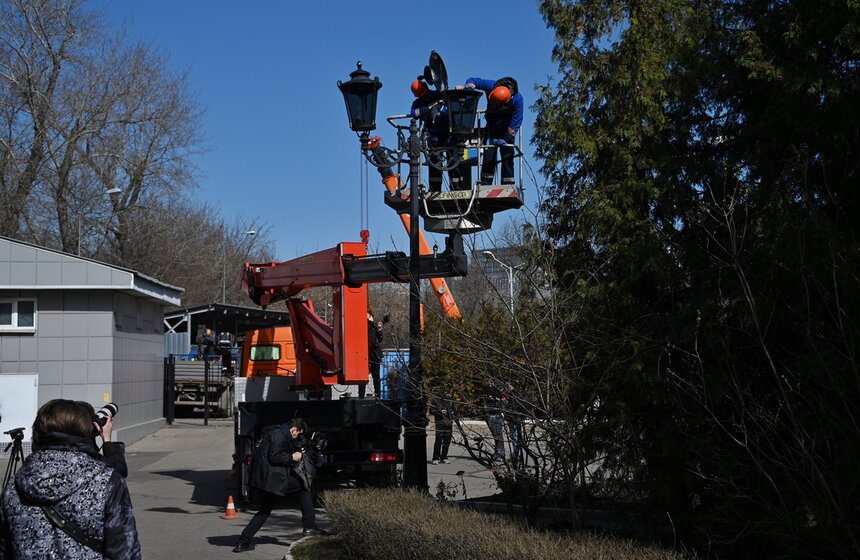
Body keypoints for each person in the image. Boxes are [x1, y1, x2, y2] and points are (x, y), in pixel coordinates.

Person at [0, 399, 141, 559]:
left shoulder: (14, 486)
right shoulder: (106, 482)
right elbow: (124, 552)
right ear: (88, 432)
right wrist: (106, 440)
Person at [233, 418, 323, 552]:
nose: (297, 437)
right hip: (270, 479)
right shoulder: (278, 434)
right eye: (298, 434)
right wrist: (292, 457)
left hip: (265, 480)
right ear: (294, 429)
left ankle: (243, 542)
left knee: (264, 510)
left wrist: (306, 444)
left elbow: (283, 449)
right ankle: (309, 527)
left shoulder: (280, 433)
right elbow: (273, 457)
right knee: (304, 487)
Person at [463, 76, 523, 185]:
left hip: (506, 129)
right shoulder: (491, 85)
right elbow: (472, 81)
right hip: (492, 127)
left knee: (507, 155)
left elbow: (516, 122)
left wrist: (506, 138)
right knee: (488, 156)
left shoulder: (518, 100)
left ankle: (507, 184)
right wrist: (469, 89)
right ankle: (485, 184)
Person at [410, 79, 464, 192]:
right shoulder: (418, 103)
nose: (426, 96)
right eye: (423, 95)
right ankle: (435, 189)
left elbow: (455, 103)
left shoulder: (441, 95)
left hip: (449, 134)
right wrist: (431, 106)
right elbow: (414, 113)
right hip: (433, 135)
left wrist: (459, 92)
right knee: (435, 163)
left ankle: (457, 188)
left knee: (453, 162)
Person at [359, 309, 385, 398]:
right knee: (363, 376)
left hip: (374, 353)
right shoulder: (364, 326)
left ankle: (378, 394)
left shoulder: (374, 327)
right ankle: (361, 395)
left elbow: (380, 339)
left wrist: (380, 330)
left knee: (376, 375)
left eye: (369, 314)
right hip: (365, 352)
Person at [484, 379, 507, 462]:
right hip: (490, 414)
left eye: (489, 381)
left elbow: (503, 401)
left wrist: (496, 399)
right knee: (495, 435)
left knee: (499, 435)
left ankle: (501, 454)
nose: (488, 383)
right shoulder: (486, 390)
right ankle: (497, 452)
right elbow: (486, 401)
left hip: (497, 414)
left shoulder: (498, 390)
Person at [430, 392, 454, 464]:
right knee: (438, 441)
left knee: (447, 441)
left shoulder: (450, 400)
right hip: (440, 423)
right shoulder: (436, 400)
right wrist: (440, 411)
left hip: (448, 423)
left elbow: (455, 411)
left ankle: (444, 457)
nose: (448, 393)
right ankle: (435, 458)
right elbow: (432, 411)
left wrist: (451, 412)